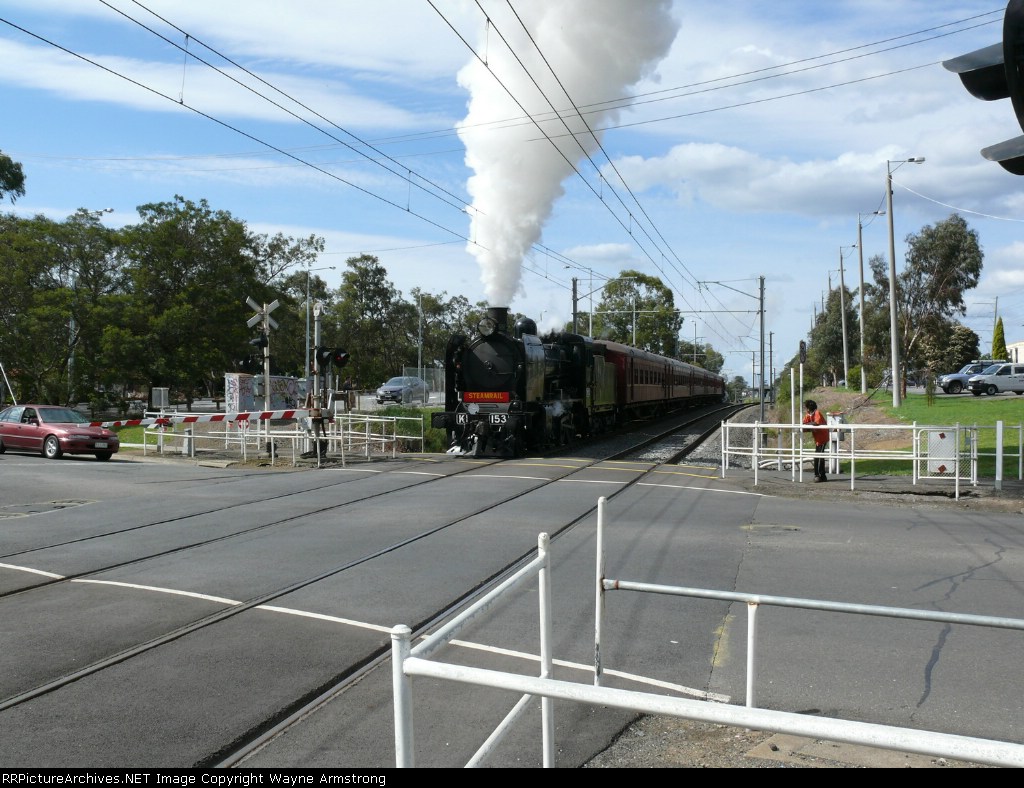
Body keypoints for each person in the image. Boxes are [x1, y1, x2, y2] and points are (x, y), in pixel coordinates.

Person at [802, 399, 829, 482]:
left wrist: (808, 425)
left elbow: (816, 423)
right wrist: (808, 425)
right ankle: (823, 475)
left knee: (818, 457)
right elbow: (803, 424)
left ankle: (817, 475)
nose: (805, 409)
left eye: (805, 407)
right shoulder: (808, 415)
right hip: (818, 438)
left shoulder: (817, 413)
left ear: (809, 408)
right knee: (819, 456)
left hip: (823, 437)